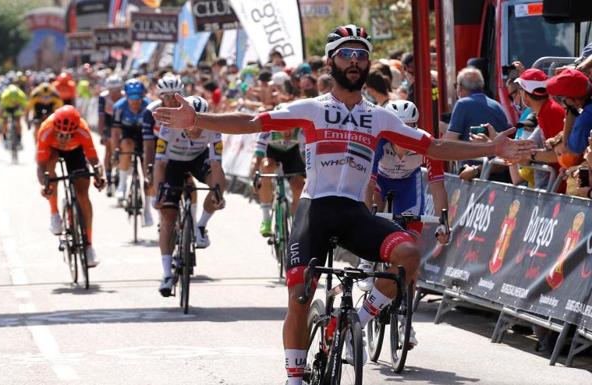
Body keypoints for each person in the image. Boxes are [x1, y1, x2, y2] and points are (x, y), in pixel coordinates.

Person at [152, 24, 532, 385]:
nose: (354, 61)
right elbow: (253, 121)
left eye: (361, 56)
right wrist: (198, 118)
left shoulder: (379, 116)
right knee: (300, 294)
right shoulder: (312, 108)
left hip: (353, 213)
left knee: (409, 254)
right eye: (346, 54)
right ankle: (294, 377)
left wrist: (490, 148)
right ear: (331, 61)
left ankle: (360, 320)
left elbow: (433, 147)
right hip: (315, 209)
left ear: (367, 65)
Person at [357, 100, 449, 348]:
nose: (404, 133)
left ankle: (405, 318)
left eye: (409, 127)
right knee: (373, 207)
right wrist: (366, 221)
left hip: (408, 185)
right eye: (399, 127)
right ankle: (367, 259)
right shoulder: (378, 140)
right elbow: (367, 183)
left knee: (412, 249)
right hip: (379, 184)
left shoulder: (425, 142)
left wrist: (444, 221)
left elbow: (438, 184)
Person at [150, 80, 225, 295]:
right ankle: (166, 274)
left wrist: (217, 192)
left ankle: (200, 225)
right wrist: (158, 192)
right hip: (172, 163)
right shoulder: (168, 127)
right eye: (191, 122)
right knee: (167, 215)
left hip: (197, 159)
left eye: (199, 123)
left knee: (220, 184)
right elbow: (160, 163)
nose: (195, 128)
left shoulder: (214, 130)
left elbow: (216, 164)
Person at [36, 105, 104, 267]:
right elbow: (40, 165)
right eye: (60, 134)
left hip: (76, 152)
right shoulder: (46, 129)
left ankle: (88, 245)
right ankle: (54, 214)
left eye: (68, 134)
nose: (64, 138)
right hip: (52, 152)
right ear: (54, 128)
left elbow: (94, 160)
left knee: (82, 194)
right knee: (49, 171)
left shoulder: (82, 130)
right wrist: (45, 184)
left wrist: (99, 176)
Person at [443, 67, 511, 181]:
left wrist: (443, 128)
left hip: (474, 177)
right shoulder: (497, 105)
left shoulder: (462, 104)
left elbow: (449, 142)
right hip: (500, 176)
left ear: (460, 88)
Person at [251, 103, 305, 237]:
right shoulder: (267, 130)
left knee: (299, 187)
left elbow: (306, 158)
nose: (287, 132)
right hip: (272, 155)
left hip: (292, 156)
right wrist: (255, 177)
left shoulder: (301, 131)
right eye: (283, 127)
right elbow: (257, 158)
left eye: (291, 127)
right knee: (266, 167)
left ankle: (296, 224)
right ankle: (266, 219)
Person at [113, 78, 154, 226]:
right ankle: (122, 185)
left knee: (148, 173)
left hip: (146, 137)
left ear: (143, 96)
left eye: (138, 98)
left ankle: (148, 211)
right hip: (128, 134)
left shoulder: (149, 106)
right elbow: (116, 131)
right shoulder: (119, 107)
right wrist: (116, 150)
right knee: (126, 145)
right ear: (126, 97)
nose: (135, 102)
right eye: (132, 98)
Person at [97, 75, 124, 197]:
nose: (115, 93)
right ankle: (108, 177)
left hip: (122, 123)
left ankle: (119, 170)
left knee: (120, 148)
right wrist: (102, 134)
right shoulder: (103, 97)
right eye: (112, 90)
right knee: (109, 149)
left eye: (117, 90)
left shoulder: (125, 96)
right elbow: (101, 117)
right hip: (109, 122)